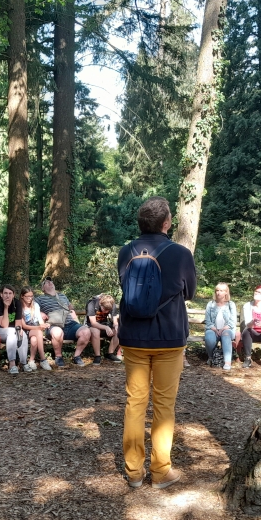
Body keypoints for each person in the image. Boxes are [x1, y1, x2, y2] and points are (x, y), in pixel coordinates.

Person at [117, 197, 196, 490]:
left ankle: (134, 472)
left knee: (134, 404)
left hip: (134, 338)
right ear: (166, 223)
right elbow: (188, 292)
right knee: (164, 405)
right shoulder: (181, 253)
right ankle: (161, 472)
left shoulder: (126, 251)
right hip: (169, 337)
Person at [35, 277, 93, 368]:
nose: (50, 282)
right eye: (46, 282)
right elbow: (30, 308)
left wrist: (77, 321)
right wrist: (40, 313)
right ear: (43, 289)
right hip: (53, 325)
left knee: (86, 331)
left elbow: (71, 310)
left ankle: (76, 356)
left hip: (70, 324)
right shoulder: (39, 299)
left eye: (51, 281)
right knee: (57, 332)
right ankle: (59, 357)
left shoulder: (62, 296)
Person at [0, 284, 30, 374]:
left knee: (22, 333)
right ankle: (12, 364)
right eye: (5, 293)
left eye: (10, 293)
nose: (8, 295)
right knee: (12, 332)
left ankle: (23, 363)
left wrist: (19, 330)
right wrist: (6, 307)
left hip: (12, 330)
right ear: (1, 294)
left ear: (13, 294)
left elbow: (18, 323)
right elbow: (4, 325)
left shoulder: (17, 303)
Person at [204, 282, 237, 371]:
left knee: (226, 335)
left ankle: (227, 362)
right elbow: (207, 319)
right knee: (209, 337)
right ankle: (211, 357)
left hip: (227, 329)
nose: (218, 293)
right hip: (213, 329)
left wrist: (223, 329)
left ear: (226, 292)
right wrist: (214, 328)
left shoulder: (231, 304)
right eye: (217, 290)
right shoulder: (210, 304)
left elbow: (233, 320)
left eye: (221, 291)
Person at [17, 286, 52, 371]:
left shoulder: (35, 305)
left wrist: (43, 325)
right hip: (25, 330)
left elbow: (40, 320)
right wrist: (39, 328)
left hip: (35, 328)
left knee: (34, 340)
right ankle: (43, 359)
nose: (30, 298)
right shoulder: (19, 306)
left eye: (31, 296)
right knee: (39, 333)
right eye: (27, 296)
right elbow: (24, 326)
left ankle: (31, 360)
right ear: (22, 296)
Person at [85, 293, 122, 364]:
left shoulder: (112, 304)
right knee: (96, 331)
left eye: (108, 310)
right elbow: (93, 323)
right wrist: (106, 327)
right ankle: (97, 356)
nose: (106, 312)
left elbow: (114, 321)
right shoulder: (91, 303)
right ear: (100, 303)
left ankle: (110, 354)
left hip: (105, 324)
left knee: (118, 330)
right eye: (104, 309)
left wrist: (116, 326)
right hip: (91, 326)